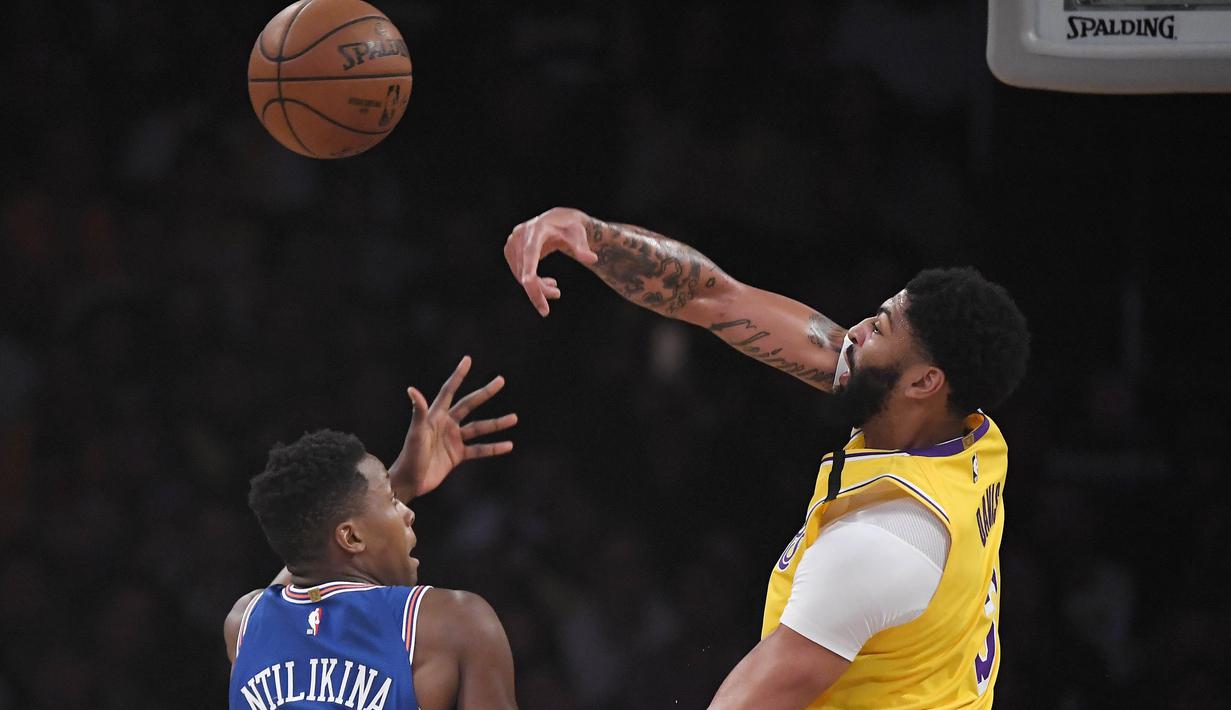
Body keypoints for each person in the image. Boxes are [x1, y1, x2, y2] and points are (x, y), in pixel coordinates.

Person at [504, 207, 1030, 709]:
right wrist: (590, 233)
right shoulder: (967, 431)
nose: (858, 329)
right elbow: (719, 300)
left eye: (881, 328)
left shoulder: (882, 540)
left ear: (923, 381)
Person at [224, 356, 520, 710]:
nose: (408, 513)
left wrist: (397, 485)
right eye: (393, 501)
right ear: (350, 538)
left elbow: (303, 563)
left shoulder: (243, 624)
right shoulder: (455, 622)